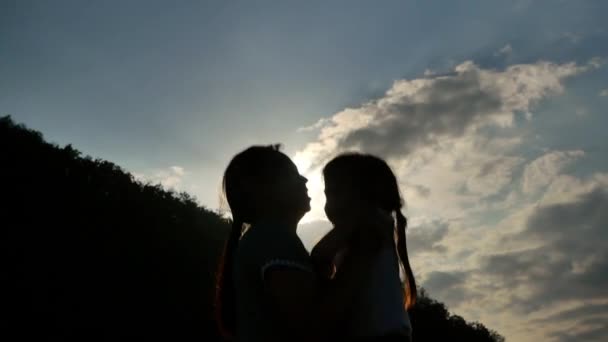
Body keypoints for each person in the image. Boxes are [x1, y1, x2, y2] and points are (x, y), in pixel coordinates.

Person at [214, 145, 378, 342]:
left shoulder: (265, 238)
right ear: (267, 189)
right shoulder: (273, 237)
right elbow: (312, 327)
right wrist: (363, 255)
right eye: (293, 175)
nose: (304, 179)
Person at [311, 153, 417, 341]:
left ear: (361, 197)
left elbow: (320, 254)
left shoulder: (368, 227)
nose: (328, 205)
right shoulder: (375, 226)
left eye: (333, 193)